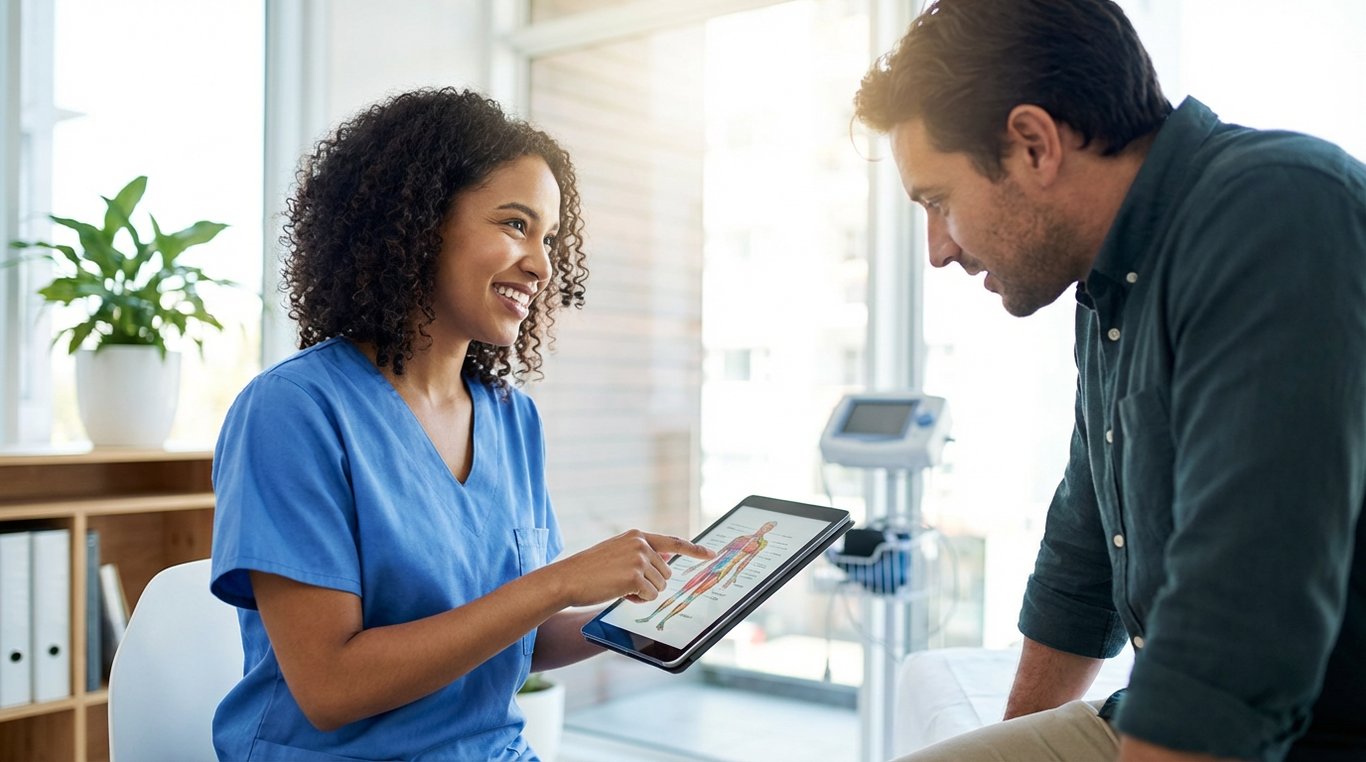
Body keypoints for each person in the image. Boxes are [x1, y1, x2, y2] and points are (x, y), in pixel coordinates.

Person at [853, 1, 1366, 761]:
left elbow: (1238, 620)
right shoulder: (1108, 286)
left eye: (939, 202)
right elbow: (1085, 549)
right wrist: (1005, 744)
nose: (937, 250)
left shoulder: (1279, 211)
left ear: (1033, 143)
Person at [209, 88, 714, 761]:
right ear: (417, 223)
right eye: (514, 224)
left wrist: (636, 618)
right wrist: (557, 582)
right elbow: (330, 687)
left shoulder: (512, 419)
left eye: (550, 238)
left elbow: (516, 636)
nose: (540, 264)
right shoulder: (294, 411)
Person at [635, 520, 776, 630]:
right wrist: (696, 566)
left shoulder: (761, 544)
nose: (766, 529)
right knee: (680, 592)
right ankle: (650, 617)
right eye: (766, 526)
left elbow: (746, 561)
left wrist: (734, 576)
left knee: (692, 597)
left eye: (769, 528)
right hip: (711, 567)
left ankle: (663, 621)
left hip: (721, 573)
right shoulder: (741, 537)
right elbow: (719, 553)